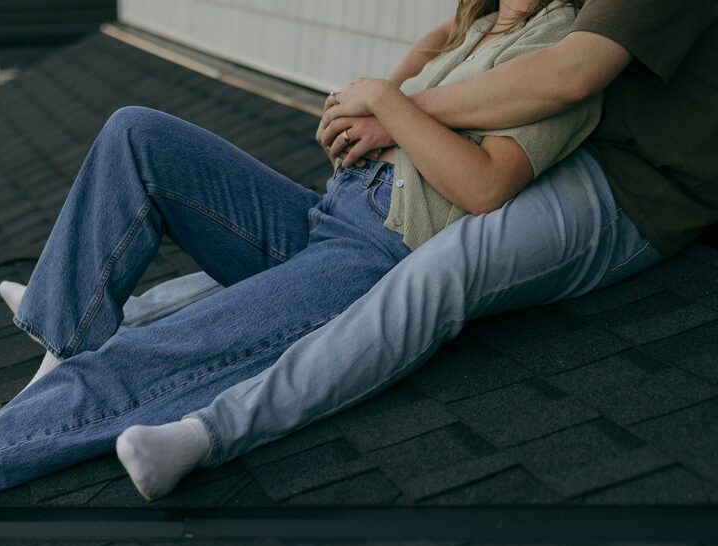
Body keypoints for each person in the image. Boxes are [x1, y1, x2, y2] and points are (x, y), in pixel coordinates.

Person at [0, 0, 598, 521]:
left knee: (151, 362)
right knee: (137, 132)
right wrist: (401, 79)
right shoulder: (480, 26)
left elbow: (486, 186)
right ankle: (64, 346)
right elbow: (397, 90)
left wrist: (390, 105)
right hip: (324, 214)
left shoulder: (557, 54)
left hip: (378, 259)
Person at [114, 0, 718, 500]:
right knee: (314, 249)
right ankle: (125, 315)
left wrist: (390, 107)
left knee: (444, 267)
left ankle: (211, 431)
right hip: (572, 142)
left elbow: (571, 73)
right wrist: (385, 93)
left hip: (639, 184)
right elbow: (462, 25)